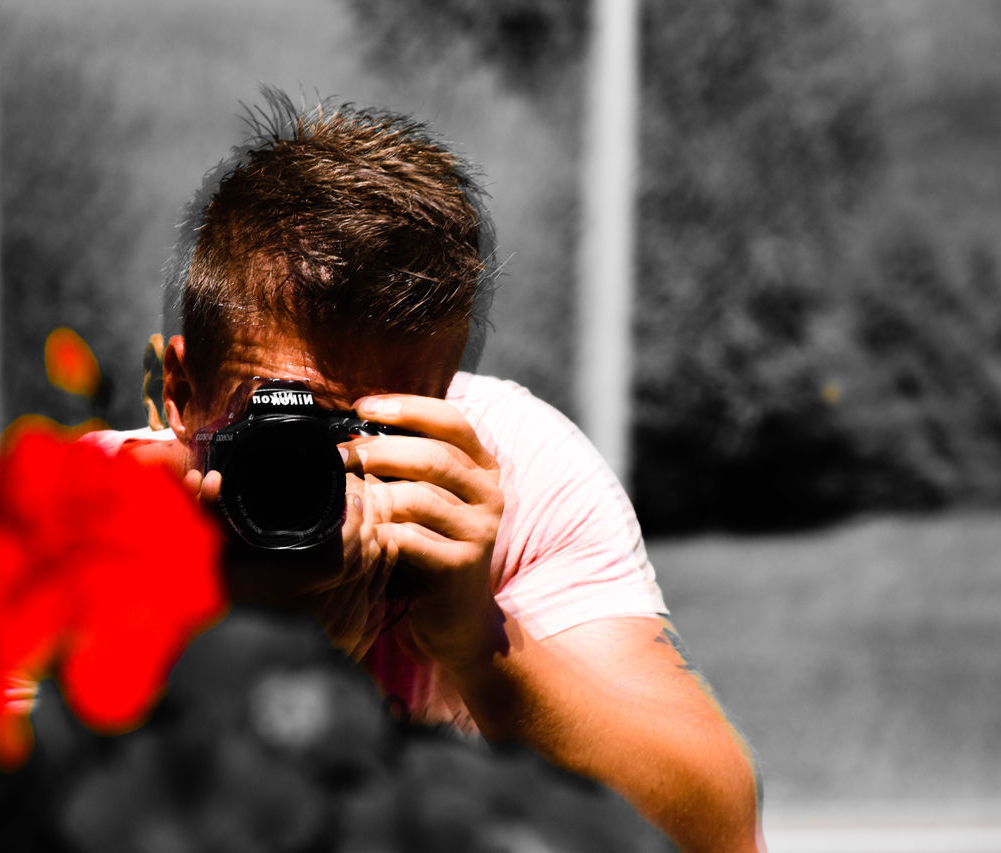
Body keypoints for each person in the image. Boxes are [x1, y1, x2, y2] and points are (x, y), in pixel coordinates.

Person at [85, 89, 762, 852]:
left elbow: (720, 831)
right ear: (178, 396)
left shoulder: (500, 480)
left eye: (371, 429)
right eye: (277, 425)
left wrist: (481, 644)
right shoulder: (72, 525)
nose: (324, 475)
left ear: (447, 398)